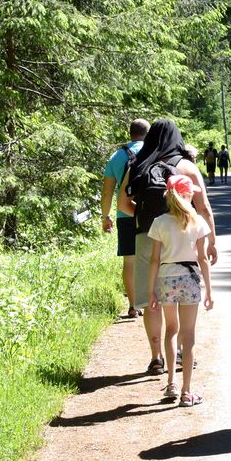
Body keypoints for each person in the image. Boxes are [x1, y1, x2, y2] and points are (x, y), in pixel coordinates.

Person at [121, 120, 218, 374]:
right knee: (184, 301)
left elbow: (122, 203)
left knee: (150, 299)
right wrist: (211, 240)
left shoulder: (138, 164)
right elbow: (204, 207)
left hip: (146, 236)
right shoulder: (186, 166)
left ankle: (156, 358)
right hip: (183, 237)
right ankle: (183, 355)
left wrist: (145, 220)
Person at [147, 173, 214, 406]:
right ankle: (187, 391)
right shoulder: (197, 221)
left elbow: (154, 260)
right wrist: (209, 291)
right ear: (187, 195)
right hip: (189, 280)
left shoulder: (159, 222)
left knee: (171, 330)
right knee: (189, 335)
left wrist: (151, 290)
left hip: (166, 279)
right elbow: (203, 259)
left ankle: (171, 382)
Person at [100, 119, 149, 318]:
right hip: (148, 214)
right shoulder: (153, 151)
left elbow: (107, 192)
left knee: (130, 261)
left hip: (125, 214)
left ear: (130, 134)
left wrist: (105, 217)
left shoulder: (117, 156)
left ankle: (133, 304)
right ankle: (151, 301)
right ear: (148, 133)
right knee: (152, 258)